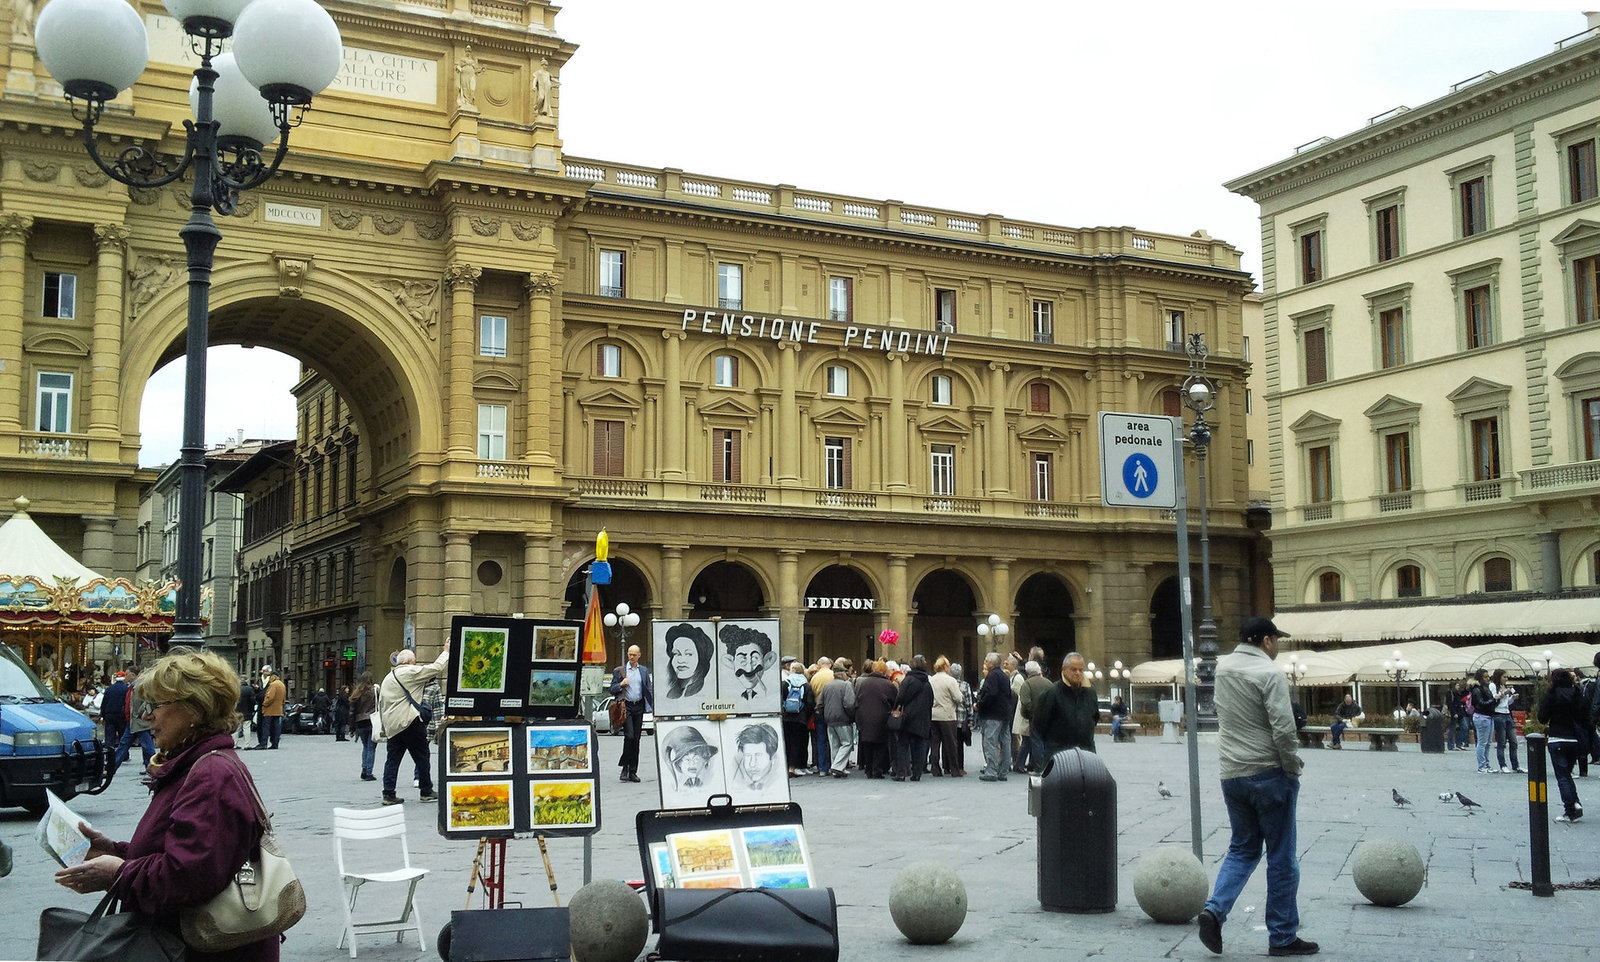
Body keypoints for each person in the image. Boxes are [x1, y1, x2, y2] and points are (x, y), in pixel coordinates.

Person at [52, 648, 283, 961]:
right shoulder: (193, 765)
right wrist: (117, 851)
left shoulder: (210, 774)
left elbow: (187, 875)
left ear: (194, 709)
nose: (148, 715)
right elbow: (182, 850)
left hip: (204, 950)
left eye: (156, 705)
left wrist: (118, 873)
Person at [1197, 616, 1317, 958]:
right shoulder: (1269, 673)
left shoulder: (1222, 670)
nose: (1278, 645)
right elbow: (1283, 727)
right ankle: (1282, 936)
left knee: (1242, 849)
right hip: (1268, 773)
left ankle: (1214, 910)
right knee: (1281, 857)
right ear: (1266, 640)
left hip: (1232, 774)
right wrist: (1292, 768)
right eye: (1276, 639)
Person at [378, 647, 450, 805]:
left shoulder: (388, 677)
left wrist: (385, 727)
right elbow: (436, 668)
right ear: (410, 662)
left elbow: (382, 704)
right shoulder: (409, 672)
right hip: (410, 722)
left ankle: (388, 793)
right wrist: (446, 651)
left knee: (392, 760)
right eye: (414, 661)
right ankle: (426, 791)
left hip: (393, 725)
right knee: (422, 757)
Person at [1537, 668, 1588, 823]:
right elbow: (1584, 715)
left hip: (1557, 737)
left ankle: (1570, 809)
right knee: (1568, 773)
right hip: (1574, 739)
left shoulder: (1551, 695)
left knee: (1562, 776)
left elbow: (1542, 717)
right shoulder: (1577, 693)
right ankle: (1576, 803)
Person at [1031, 652, 1098, 759]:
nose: (1077, 673)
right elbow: (1039, 724)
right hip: (1058, 755)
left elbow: (1094, 718)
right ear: (1064, 669)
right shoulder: (1052, 692)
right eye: (1073, 669)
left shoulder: (1091, 693)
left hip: (1086, 753)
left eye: (1081, 670)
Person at [609, 644, 653, 783]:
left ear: (639, 655)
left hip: (639, 706)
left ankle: (633, 771)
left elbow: (648, 688)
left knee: (636, 740)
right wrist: (621, 684)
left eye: (634, 654)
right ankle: (624, 768)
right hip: (626, 706)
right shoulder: (620, 671)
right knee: (629, 736)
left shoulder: (644, 671)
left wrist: (651, 705)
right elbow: (611, 689)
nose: (631, 657)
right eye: (629, 654)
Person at [975, 651, 1016, 782]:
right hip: (1004, 713)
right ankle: (1003, 771)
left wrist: (980, 704)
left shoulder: (992, 676)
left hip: (993, 714)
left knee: (991, 742)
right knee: (1005, 741)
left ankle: (991, 771)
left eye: (986, 661)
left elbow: (991, 694)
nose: (985, 663)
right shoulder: (1004, 676)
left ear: (991, 663)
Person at [893, 654, 934, 782]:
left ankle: (901, 772)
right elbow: (931, 701)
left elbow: (901, 697)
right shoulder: (927, 682)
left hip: (908, 716)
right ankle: (917, 773)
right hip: (923, 717)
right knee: (920, 745)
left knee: (903, 744)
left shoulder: (909, 680)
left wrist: (896, 708)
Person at [855, 660, 896, 779]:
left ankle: (868, 769)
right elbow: (895, 700)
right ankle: (876, 770)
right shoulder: (887, 684)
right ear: (884, 671)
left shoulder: (864, 683)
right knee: (880, 744)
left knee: (867, 743)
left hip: (864, 716)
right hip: (881, 717)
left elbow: (857, 698)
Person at [818, 658, 857, 778]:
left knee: (834, 744)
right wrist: (852, 716)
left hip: (829, 719)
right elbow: (849, 704)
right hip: (843, 718)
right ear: (842, 674)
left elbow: (820, 703)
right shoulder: (846, 685)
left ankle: (838, 767)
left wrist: (825, 714)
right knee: (847, 743)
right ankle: (837, 766)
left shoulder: (827, 686)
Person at [114, 666, 156, 771]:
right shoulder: (131, 687)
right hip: (132, 722)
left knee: (147, 747)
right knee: (123, 744)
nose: (125, 676)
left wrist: (142, 712)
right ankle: (112, 767)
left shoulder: (142, 687)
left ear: (133, 675)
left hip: (140, 722)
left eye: (127, 674)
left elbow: (148, 701)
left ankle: (153, 768)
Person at [721, 625, 777, 703]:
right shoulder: (727, 695)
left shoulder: (772, 694)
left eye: (754, 658)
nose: (749, 668)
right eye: (742, 660)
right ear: (731, 662)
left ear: (767, 661)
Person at [662, 725, 721, 794]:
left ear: (704, 761)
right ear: (679, 764)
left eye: (696, 759)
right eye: (687, 759)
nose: (692, 763)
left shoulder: (711, 783)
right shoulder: (678, 788)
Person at [780, 656, 814, 776]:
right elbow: (810, 703)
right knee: (799, 743)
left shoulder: (785, 683)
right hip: (801, 718)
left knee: (788, 742)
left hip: (787, 718)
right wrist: (805, 715)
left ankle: (787, 765)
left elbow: (781, 699)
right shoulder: (806, 685)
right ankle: (795, 766)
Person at [929, 656, 962, 778]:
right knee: (951, 744)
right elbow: (958, 698)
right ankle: (954, 769)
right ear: (945, 667)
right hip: (947, 715)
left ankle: (935, 768)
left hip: (933, 714)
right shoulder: (950, 681)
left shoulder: (931, 680)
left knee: (935, 743)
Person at [662, 623, 713, 699]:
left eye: (688, 654)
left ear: (701, 658)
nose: (681, 660)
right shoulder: (671, 693)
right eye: (676, 654)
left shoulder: (707, 691)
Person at [1017, 661, 1052, 769]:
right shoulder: (1048, 683)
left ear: (1027, 671)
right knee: (1045, 741)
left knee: (1036, 741)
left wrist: (1030, 714)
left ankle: (1038, 766)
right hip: (1048, 717)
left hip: (1035, 718)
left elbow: (1026, 702)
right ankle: (1044, 764)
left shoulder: (1027, 684)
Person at [729, 722, 781, 791]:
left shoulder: (779, 785)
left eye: (758, 756)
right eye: (747, 756)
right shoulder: (738, 786)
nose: (752, 764)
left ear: (773, 758)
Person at [1490, 668, 1521, 774]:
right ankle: (1503, 765)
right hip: (1498, 714)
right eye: (1504, 677)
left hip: (1507, 714)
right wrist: (1504, 693)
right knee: (1501, 742)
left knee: (1513, 741)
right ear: (1499, 677)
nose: (1506, 679)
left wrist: (1512, 697)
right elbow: (1494, 697)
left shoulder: (1504, 687)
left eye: (1507, 677)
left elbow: (1507, 703)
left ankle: (1515, 765)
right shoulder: (1493, 685)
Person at [350, 671, 377, 781]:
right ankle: (369, 772)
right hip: (372, 721)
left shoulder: (357, 692)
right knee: (371, 748)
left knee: (365, 746)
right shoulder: (374, 691)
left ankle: (364, 769)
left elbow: (352, 712)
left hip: (360, 722)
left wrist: (352, 728)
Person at [809, 657, 834, 776]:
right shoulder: (833, 675)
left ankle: (823, 767)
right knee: (833, 739)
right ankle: (834, 766)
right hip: (832, 710)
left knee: (821, 739)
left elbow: (812, 693)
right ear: (829, 664)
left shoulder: (815, 677)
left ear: (819, 665)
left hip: (818, 711)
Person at [1470, 669, 1497, 774]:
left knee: (1488, 743)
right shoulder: (1476, 689)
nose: (1488, 678)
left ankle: (1486, 764)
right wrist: (1493, 700)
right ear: (1480, 678)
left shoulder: (1486, 688)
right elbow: (1480, 703)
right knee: (1482, 742)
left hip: (1489, 716)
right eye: (1485, 677)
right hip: (1481, 716)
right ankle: (1481, 766)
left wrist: (1497, 699)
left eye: (1488, 676)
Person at [255, 669, 286, 750]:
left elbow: (270, 697)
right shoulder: (282, 685)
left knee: (266, 726)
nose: (269, 679)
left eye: (270, 677)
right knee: (276, 727)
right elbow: (283, 698)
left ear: (274, 677)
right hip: (278, 709)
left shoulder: (273, 685)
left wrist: (264, 704)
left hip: (270, 709)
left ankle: (263, 744)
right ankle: (275, 744)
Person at [102, 672, 129, 755]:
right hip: (121, 715)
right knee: (122, 735)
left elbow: (104, 703)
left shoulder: (109, 689)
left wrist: (103, 715)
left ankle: (109, 754)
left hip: (109, 714)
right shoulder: (126, 689)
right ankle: (123, 755)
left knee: (109, 736)